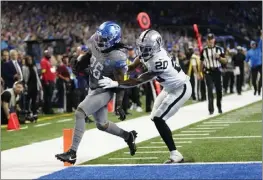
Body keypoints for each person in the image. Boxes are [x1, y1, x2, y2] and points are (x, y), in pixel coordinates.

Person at [99, 29, 192, 163]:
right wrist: (125, 69)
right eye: (142, 48)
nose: (143, 51)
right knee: (155, 118)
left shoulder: (159, 60)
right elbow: (136, 63)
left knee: (159, 118)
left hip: (180, 88)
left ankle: (175, 154)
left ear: (155, 47)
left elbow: (138, 80)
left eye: (147, 48)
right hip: (169, 87)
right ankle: (173, 149)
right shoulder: (150, 52)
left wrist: (116, 82)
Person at [55, 21, 138, 164]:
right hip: (92, 87)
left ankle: (72, 153)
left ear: (113, 40)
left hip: (104, 90)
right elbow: (91, 54)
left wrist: (118, 104)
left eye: (104, 39)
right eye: (100, 37)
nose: (100, 41)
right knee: (102, 125)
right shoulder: (96, 41)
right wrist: (81, 65)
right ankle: (128, 136)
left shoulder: (118, 57)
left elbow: (120, 82)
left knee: (80, 112)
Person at [200, 33, 227, 115]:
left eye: (211, 39)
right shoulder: (203, 51)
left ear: (214, 40)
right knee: (209, 89)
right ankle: (211, 109)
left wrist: (219, 57)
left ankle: (219, 106)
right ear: (207, 41)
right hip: (208, 71)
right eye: (208, 39)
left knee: (219, 90)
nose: (210, 40)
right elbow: (201, 62)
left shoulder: (219, 49)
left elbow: (225, 61)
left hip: (217, 71)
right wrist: (200, 72)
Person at [22, 55, 42, 121]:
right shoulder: (24, 67)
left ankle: (34, 113)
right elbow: (25, 78)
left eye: (31, 59)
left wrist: (39, 85)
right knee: (28, 100)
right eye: (28, 59)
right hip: (29, 85)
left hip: (35, 85)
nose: (30, 60)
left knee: (34, 100)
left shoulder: (34, 67)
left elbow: (37, 77)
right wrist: (25, 85)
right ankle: (28, 113)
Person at [40, 50, 56, 114]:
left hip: (51, 80)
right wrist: (46, 81)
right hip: (47, 81)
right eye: (48, 53)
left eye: (49, 53)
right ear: (45, 54)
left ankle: (48, 108)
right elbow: (43, 72)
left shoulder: (48, 61)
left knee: (49, 95)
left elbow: (51, 71)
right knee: (47, 96)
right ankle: (47, 109)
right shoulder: (43, 61)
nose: (49, 54)